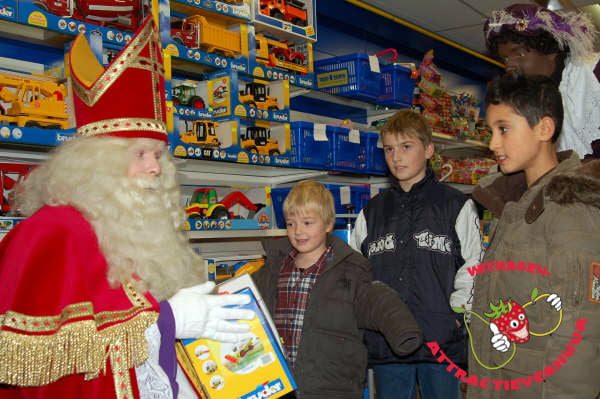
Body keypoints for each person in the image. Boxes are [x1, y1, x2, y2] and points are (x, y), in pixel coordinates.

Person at [0, 17, 254, 398]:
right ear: (96, 163)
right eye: (140, 154)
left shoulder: (136, 227)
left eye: (157, 155)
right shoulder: (55, 230)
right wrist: (172, 318)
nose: (154, 168)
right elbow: (61, 358)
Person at [464, 74, 600, 399]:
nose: (493, 143)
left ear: (544, 129)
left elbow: (582, 328)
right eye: (491, 131)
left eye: (504, 129)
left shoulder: (569, 207)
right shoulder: (515, 206)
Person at [350, 109, 484, 399]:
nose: (396, 157)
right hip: (389, 343)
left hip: (442, 341)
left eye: (406, 147)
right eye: (389, 149)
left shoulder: (456, 205)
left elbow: (474, 265)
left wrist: (457, 316)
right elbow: (356, 273)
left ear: (429, 149)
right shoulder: (371, 213)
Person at [252, 180, 422, 399]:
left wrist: (403, 330)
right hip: (278, 385)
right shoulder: (274, 268)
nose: (298, 231)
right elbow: (243, 297)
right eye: (291, 224)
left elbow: (378, 301)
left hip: (331, 387)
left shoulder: (350, 271)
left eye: (307, 222)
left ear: (328, 224)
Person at [484, 3, 600, 158]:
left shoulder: (592, 74)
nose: (509, 65)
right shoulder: (530, 97)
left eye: (519, 54)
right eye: (505, 58)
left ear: (550, 51)